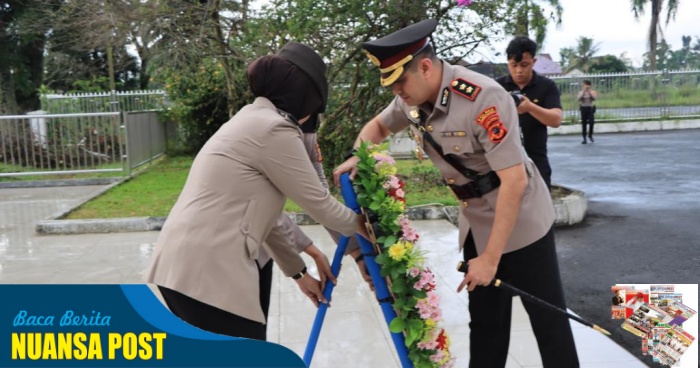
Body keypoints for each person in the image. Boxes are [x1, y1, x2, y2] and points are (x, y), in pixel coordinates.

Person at [333, 19, 579, 368]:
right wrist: (357, 156)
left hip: (522, 220)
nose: (396, 91)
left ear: (426, 67)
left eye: (400, 81)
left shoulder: (482, 97)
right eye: (391, 84)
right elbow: (379, 125)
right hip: (477, 219)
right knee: (486, 324)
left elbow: (515, 182)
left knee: (548, 323)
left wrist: (491, 261)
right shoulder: (411, 98)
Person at [145, 42, 367, 340]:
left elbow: (269, 221)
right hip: (208, 271)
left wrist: (299, 273)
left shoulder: (251, 120)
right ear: (305, 98)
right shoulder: (274, 129)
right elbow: (319, 203)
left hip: (186, 268)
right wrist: (371, 228)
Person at [495, 36, 562, 190]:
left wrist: (531, 107)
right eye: (514, 65)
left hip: (536, 160)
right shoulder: (496, 87)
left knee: (541, 209)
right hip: (504, 161)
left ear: (534, 61)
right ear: (508, 63)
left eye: (524, 65)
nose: (519, 70)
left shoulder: (547, 86)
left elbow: (556, 120)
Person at [577, 80, 597, 144]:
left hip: (590, 109)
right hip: (583, 109)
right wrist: (583, 92)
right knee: (584, 124)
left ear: (589, 85)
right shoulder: (581, 92)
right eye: (585, 85)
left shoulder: (592, 92)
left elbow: (594, 98)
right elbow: (578, 99)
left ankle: (590, 135)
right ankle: (584, 138)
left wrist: (589, 92)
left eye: (587, 85)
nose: (586, 86)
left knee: (591, 122)